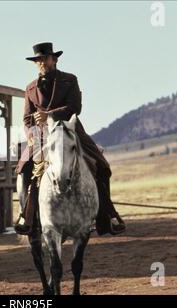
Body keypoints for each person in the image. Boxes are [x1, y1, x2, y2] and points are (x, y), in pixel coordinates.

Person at [14, 42, 126, 236]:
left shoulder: (70, 80)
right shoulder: (30, 88)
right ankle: (26, 217)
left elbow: (75, 107)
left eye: (45, 59)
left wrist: (49, 114)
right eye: (38, 60)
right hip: (41, 136)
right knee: (23, 170)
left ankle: (108, 215)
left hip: (70, 129)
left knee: (101, 166)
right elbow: (26, 118)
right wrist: (31, 136)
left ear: (54, 59)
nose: (41, 63)